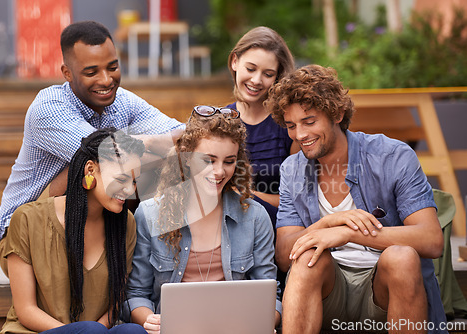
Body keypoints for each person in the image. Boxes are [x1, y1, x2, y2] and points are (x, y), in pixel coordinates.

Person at [265, 65, 447, 334]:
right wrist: (329, 223)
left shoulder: (393, 156)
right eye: (292, 126)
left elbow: (431, 240)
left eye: (309, 121)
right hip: (330, 295)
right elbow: (283, 256)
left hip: (383, 290)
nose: (300, 135)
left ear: (337, 114)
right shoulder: (293, 169)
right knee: (304, 259)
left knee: (402, 257)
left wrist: (347, 234)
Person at [0, 20, 183, 252]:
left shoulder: (122, 101)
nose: (106, 80)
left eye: (112, 67)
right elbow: (108, 155)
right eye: (91, 72)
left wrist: (151, 142)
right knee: (91, 164)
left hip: (86, 227)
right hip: (22, 235)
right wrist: (150, 143)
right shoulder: (49, 107)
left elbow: (186, 133)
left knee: (176, 161)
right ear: (67, 73)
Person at [121, 107, 281, 333]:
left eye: (229, 161)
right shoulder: (150, 214)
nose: (219, 172)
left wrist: (264, 321)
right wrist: (151, 320)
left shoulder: (254, 217)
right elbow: (136, 294)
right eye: (208, 160)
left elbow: (271, 296)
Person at [0, 128, 148, 333]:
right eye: (122, 179)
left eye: (134, 181)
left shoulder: (126, 223)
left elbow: (116, 301)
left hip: (94, 331)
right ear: (90, 170)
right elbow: (26, 310)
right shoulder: (27, 219)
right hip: (37, 331)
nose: (130, 190)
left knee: (133, 332)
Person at [226, 26, 298, 229]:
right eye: (250, 69)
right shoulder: (218, 121)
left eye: (267, 74)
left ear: (277, 77)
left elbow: (295, 202)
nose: (256, 80)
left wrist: (243, 195)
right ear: (234, 61)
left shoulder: (289, 125)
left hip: (277, 226)